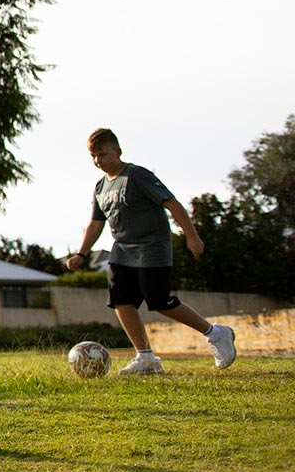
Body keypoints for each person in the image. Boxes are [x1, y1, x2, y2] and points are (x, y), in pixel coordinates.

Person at [62, 128, 237, 374]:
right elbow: (96, 223)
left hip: (152, 247)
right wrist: (81, 253)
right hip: (121, 250)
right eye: (93, 156)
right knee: (121, 301)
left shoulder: (136, 175)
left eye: (102, 154)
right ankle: (146, 357)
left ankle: (216, 334)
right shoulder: (101, 186)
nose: (98, 161)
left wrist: (192, 236)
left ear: (117, 151)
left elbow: (172, 203)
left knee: (160, 302)